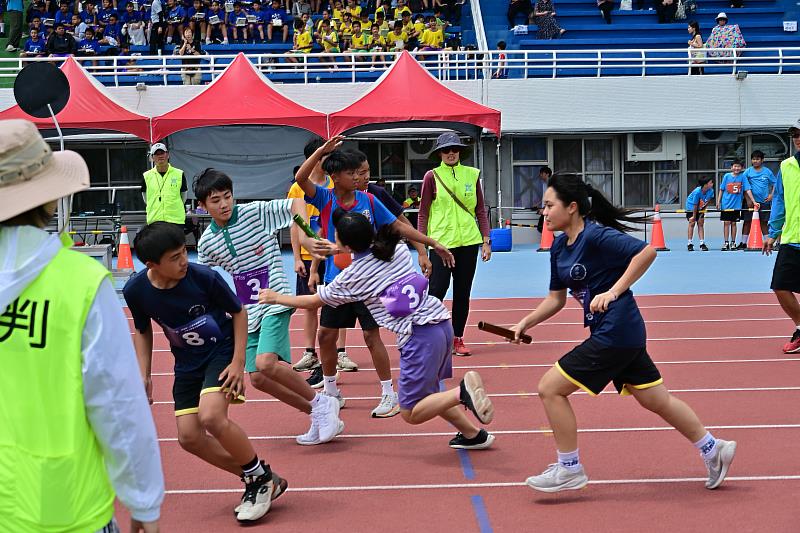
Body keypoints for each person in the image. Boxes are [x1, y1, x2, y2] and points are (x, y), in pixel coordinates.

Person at [510, 172, 737, 493]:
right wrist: (525, 323)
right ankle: (714, 448)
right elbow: (555, 299)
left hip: (617, 331)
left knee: (550, 389)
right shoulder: (559, 247)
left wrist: (613, 292)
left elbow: (646, 253)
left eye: (548, 205)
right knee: (656, 400)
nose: (543, 212)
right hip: (620, 334)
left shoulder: (596, 236)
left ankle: (569, 468)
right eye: (542, 207)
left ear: (571, 207)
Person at [0, 119, 164, 532]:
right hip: (64, 505)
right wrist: (143, 502)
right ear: (50, 199)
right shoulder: (80, 282)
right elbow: (117, 402)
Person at [259, 211, 496, 450]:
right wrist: (341, 248)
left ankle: (462, 393)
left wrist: (276, 297)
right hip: (440, 324)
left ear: (346, 243)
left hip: (419, 335)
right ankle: (472, 434)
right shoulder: (396, 249)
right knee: (430, 392)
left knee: (411, 411)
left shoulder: (352, 278)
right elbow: (373, 251)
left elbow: (313, 302)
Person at [124, 222, 286, 522]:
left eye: (184, 251)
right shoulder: (136, 290)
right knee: (189, 438)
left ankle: (259, 481)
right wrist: (143, 375)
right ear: (151, 264)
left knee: (211, 416)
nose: (184, 260)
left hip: (220, 351)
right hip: (186, 362)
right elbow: (143, 330)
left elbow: (239, 312)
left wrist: (238, 362)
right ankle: (260, 476)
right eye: (174, 257)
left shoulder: (203, 277)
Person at [295, 136, 455, 417]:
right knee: (325, 335)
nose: (358, 177)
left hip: (368, 282)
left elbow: (397, 226)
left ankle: (387, 392)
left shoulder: (368, 200)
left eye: (361, 173)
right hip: (340, 282)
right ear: (334, 176)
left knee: (372, 336)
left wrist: (430, 244)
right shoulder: (324, 198)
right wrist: (323, 150)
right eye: (352, 173)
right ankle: (331, 391)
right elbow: (300, 176)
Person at [194, 169, 344, 446]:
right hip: (247, 311)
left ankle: (322, 402)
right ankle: (317, 412)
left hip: (276, 297)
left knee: (266, 363)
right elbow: (205, 282)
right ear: (202, 206)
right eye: (215, 201)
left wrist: (308, 236)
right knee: (259, 379)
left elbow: (295, 203)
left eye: (227, 196)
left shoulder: (255, 213)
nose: (224, 204)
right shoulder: (207, 244)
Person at [418, 132, 491, 356]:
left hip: (469, 242)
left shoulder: (472, 175)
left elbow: (480, 209)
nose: (451, 153)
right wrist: (422, 250)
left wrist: (486, 240)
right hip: (441, 245)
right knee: (437, 290)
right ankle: (429, 336)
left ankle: (457, 338)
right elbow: (423, 214)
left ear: (460, 151)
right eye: (446, 150)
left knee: (462, 293)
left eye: (455, 149)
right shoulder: (431, 176)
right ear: (439, 153)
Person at [287, 139, 339, 373]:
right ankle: (310, 352)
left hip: (334, 252)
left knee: (339, 301)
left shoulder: (335, 183)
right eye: (327, 157)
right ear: (316, 158)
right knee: (310, 305)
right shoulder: (298, 188)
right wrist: (297, 256)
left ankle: (342, 352)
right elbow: (295, 223)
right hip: (309, 255)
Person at [763, 118, 800, 354]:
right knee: (780, 286)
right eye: (795, 135)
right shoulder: (786, 166)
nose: (798, 139)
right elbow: (779, 202)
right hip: (792, 238)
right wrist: (773, 232)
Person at [140, 143, 188, 227]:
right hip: (155, 220)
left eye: (162, 153)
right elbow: (145, 197)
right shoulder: (146, 176)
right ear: (152, 157)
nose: (160, 156)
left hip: (175, 220)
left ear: (168, 155)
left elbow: (183, 196)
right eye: (156, 154)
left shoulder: (179, 174)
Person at [717, 159, 758, 251]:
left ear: (742, 168)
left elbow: (747, 190)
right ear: (731, 167)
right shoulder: (727, 176)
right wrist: (718, 202)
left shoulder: (743, 177)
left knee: (734, 223)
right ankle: (726, 242)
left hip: (736, 205)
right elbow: (721, 189)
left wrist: (754, 201)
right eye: (735, 166)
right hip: (726, 204)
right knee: (726, 223)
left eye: (739, 166)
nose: (736, 168)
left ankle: (733, 242)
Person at [740, 150, 776, 249]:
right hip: (750, 203)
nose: (755, 161)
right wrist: (748, 200)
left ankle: (767, 243)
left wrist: (771, 195)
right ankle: (743, 243)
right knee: (747, 221)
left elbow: (775, 184)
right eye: (753, 159)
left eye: (757, 159)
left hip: (764, 202)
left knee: (764, 222)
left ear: (762, 160)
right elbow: (744, 187)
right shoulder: (747, 172)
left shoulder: (767, 171)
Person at [685, 176, 714, 251]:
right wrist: (694, 216)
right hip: (691, 207)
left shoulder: (711, 191)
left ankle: (702, 243)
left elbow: (707, 201)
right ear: (705, 184)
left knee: (700, 224)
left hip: (701, 207)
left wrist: (703, 210)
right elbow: (695, 205)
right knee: (692, 223)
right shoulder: (697, 192)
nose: (712, 184)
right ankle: (689, 243)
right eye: (710, 183)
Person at [536, 166, 553, 233]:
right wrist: (539, 204)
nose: (540, 175)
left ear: (547, 174)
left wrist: (544, 208)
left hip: (548, 209)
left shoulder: (551, 184)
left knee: (542, 227)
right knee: (541, 227)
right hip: (545, 208)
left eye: (542, 173)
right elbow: (545, 197)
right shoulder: (544, 184)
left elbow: (551, 198)